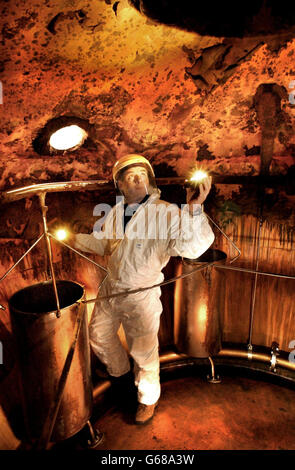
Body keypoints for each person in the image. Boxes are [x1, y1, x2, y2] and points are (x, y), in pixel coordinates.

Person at [72, 154, 214, 424]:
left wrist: (195, 209)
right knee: (98, 335)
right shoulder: (115, 213)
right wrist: (73, 239)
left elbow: (192, 247)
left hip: (142, 293)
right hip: (111, 287)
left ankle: (147, 399)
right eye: (129, 177)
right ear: (120, 186)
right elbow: (104, 245)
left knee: (144, 351)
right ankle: (121, 373)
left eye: (141, 175)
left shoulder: (166, 212)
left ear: (149, 181)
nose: (136, 179)